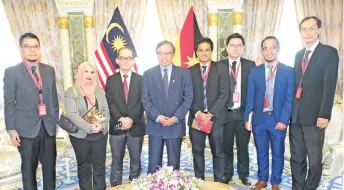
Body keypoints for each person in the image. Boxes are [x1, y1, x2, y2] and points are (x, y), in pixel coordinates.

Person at [4, 32, 59, 190]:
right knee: (29, 170)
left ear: (40, 49)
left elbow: (53, 99)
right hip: (25, 130)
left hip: (47, 127)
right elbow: (9, 103)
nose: (32, 50)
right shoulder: (12, 72)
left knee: (50, 169)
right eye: (28, 46)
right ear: (21, 49)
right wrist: (12, 129)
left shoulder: (49, 70)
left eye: (36, 46)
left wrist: (54, 121)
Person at [290, 16, 339, 190]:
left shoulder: (329, 52)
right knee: (296, 157)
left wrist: (324, 114)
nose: (308, 32)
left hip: (315, 116)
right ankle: (297, 187)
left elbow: (329, 85)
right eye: (304, 29)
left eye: (311, 28)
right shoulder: (298, 55)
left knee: (314, 158)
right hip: (295, 116)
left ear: (319, 30)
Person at [244, 36, 294, 190]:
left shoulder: (288, 71)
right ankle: (262, 179)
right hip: (259, 120)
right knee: (261, 152)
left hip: (277, 120)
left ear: (278, 49)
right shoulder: (255, 71)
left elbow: (289, 98)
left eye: (273, 47)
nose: (269, 51)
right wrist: (247, 118)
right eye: (265, 48)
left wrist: (284, 120)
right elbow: (250, 95)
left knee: (278, 153)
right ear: (262, 51)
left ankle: (276, 182)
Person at [141, 40, 193, 174]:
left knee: (174, 166)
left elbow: (188, 98)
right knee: (153, 166)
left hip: (175, 125)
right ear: (157, 55)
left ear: (173, 54)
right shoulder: (148, 74)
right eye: (161, 53)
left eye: (168, 53)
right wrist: (157, 117)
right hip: (155, 124)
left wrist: (176, 117)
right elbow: (145, 99)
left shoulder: (184, 73)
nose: (164, 56)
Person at [188, 37, 229, 182]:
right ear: (196, 53)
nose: (204, 53)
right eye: (200, 50)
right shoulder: (190, 71)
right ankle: (199, 180)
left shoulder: (221, 68)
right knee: (197, 151)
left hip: (215, 117)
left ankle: (218, 182)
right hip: (197, 117)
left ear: (211, 51)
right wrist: (199, 113)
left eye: (207, 50)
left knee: (217, 151)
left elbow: (225, 93)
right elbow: (187, 96)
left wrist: (210, 113)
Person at [65, 62, 110, 190]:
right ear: (78, 73)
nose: (89, 74)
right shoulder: (71, 92)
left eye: (92, 72)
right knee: (84, 167)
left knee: (99, 165)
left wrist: (101, 125)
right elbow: (72, 115)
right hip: (81, 136)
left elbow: (106, 109)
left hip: (100, 134)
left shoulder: (98, 90)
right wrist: (89, 128)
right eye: (86, 71)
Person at [218, 33, 255, 185]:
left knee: (243, 148)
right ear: (226, 47)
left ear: (243, 48)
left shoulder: (250, 65)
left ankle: (244, 175)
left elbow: (253, 91)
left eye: (239, 45)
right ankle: (227, 174)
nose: (236, 48)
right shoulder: (218, 65)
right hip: (225, 114)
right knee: (226, 147)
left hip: (242, 114)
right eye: (232, 45)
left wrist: (250, 115)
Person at [105, 47, 145, 186]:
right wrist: (121, 119)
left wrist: (131, 119)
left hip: (136, 126)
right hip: (117, 126)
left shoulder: (141, 79)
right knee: (116, 161)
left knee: (135, 161)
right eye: (122, 58)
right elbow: (109, 103)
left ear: (133, 61)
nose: (126, 61)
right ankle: (115, 186)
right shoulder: (110, 80)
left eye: (129, 58)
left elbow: (143, 102)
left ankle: (136, 186)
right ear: (117, 60)